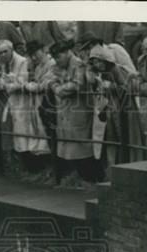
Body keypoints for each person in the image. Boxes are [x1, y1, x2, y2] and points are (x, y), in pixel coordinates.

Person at [48, 38, 99, 182]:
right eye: (55, 58)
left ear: (66, 52)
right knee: (69, 145)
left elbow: (77, 85)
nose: (56, 60)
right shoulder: (58, 66)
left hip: (79, 110)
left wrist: (59, 89)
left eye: (58, 57)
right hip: (66, 110)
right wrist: (57, 86)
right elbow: (50, 79)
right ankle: (79, 177)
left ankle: (91, 178)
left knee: (81, 146)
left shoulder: (78, 64)